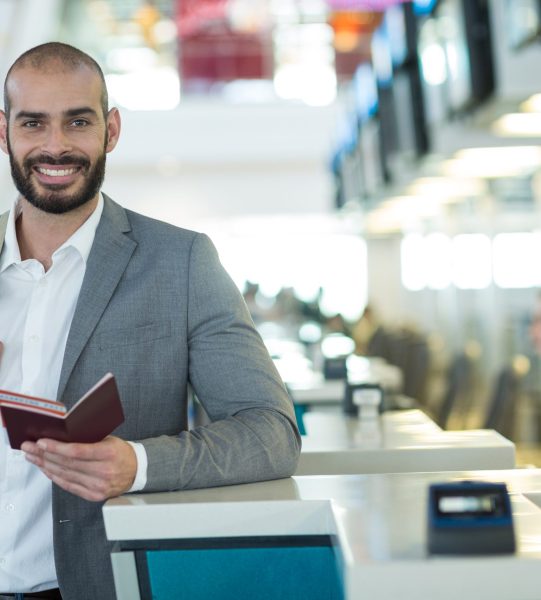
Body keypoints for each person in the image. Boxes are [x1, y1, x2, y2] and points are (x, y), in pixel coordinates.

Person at [0, 42, 300, 600]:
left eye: (78, 121)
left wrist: (137, 464)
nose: (56, 145)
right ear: (3, 131)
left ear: (111, 130)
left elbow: (271, 433)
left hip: (92, 585)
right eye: (34, 123)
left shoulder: (180, 262)